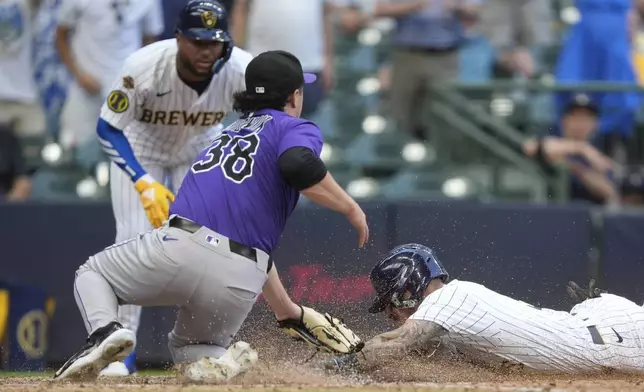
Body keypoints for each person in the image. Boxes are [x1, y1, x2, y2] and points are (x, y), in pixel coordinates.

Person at [53, 49, 368, 382]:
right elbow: (297, 163)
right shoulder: (293, 126)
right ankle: (221, 361)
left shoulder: (224, 135)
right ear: (294, 95)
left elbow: (291, 167)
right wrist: (349, 206)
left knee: (93, 274)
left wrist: (288, 309)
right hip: (242, 274)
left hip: (182, 246)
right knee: (195, 351)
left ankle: (105, 331)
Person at [88, 0, 253, 377]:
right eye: (197, 41)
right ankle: (119, 354)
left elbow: (275, 109)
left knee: (210, 246)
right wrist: (142, 179)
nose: (206, 50)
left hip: (200, 147)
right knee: (133, 239)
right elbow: (108, 127)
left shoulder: (240, 68)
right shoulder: (143, 66)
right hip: (142, 149)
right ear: (178, 37)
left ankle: (207, 350)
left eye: (214, 42)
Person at [326, 244, 644, 374]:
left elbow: (393, 345)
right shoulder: (449, 315)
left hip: (622, 336)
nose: (391, 314)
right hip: (597, 320)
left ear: (409, 288)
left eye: (391, 302)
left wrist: (333, 368)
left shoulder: (449, 299)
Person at [55, 0, 164, 178]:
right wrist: (79, 74)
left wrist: (139, 80)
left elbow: (150, 42)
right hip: (86, 89)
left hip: (127, 91)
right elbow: (60, 37)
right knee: (75, 155)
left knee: (128, 159)